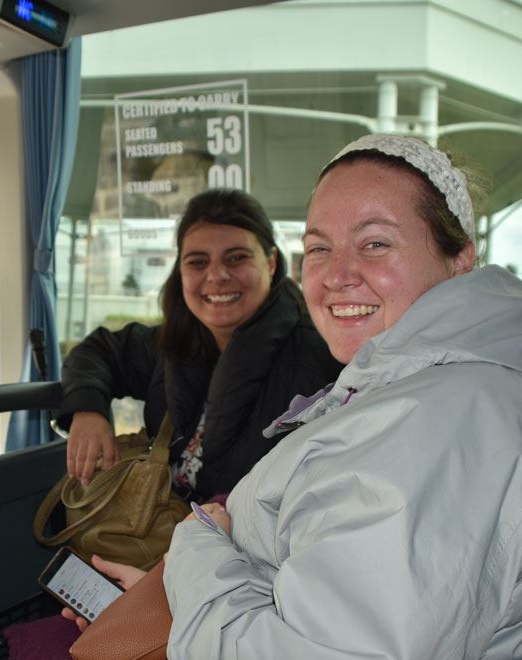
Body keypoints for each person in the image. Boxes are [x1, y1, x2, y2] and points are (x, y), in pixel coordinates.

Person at [156, 135, 522, 660]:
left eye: (375, 244)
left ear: (460, 259)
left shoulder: (446, 430)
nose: (337, 276)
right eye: (320, 247)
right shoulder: (425, 389)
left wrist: (194, 551)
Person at [58, 188, 343, 498]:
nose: (217, 275)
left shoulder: (320, 356)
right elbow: (98, 351)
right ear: (180, 271)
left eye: (236, 258)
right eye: (197, 262)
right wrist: (88, 410)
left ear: (271, 262)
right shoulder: (173, 344)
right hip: (166, 530)